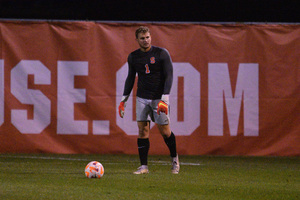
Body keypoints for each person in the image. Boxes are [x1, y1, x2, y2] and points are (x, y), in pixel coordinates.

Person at [118, 26, 180, 174]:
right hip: (142, 97)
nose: (145, 40)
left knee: (165, 132)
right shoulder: (133, 57)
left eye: (147, 37)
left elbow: (169, 75)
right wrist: (123, 100)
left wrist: (165, 98)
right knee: (142, 131)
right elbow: (130, 78)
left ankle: (175, 160)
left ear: (151, 37)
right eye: (142, 38)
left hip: (159, 98)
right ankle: (144, 167)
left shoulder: (161, 53)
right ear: (137, 40)